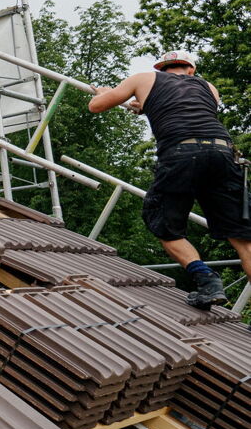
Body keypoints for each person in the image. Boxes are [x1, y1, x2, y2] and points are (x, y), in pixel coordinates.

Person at [89, 50, 251, 310]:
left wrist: (105, 93)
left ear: (161, 69)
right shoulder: (208, 88)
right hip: (223, 153)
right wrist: (143, 105)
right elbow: (183, 106)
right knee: (243, 237)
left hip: (181, 153)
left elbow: (96, 106)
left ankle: (206, 279)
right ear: (190, 70)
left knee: (164, 224)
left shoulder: (143, 79)